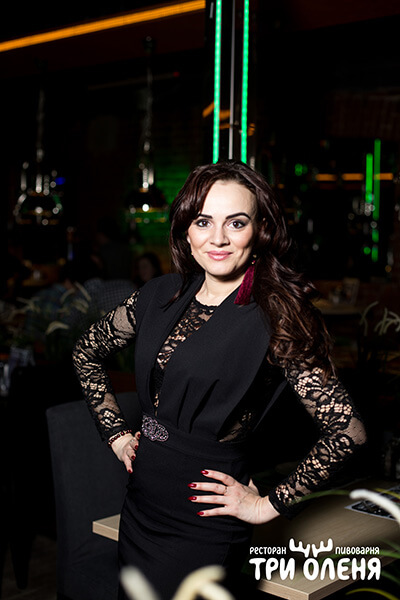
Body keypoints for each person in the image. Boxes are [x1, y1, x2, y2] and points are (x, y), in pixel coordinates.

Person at [72, 160, 366, 600]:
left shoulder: (277, 316)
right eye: (204, 221)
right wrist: (115, 433)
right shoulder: (159, 294)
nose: (218, 238)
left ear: (260, 230)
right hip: (141, 505)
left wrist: (267, 505)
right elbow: (86, 352)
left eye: (237, 222)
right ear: (186, 230)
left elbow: (348, 431)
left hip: (204, 524)